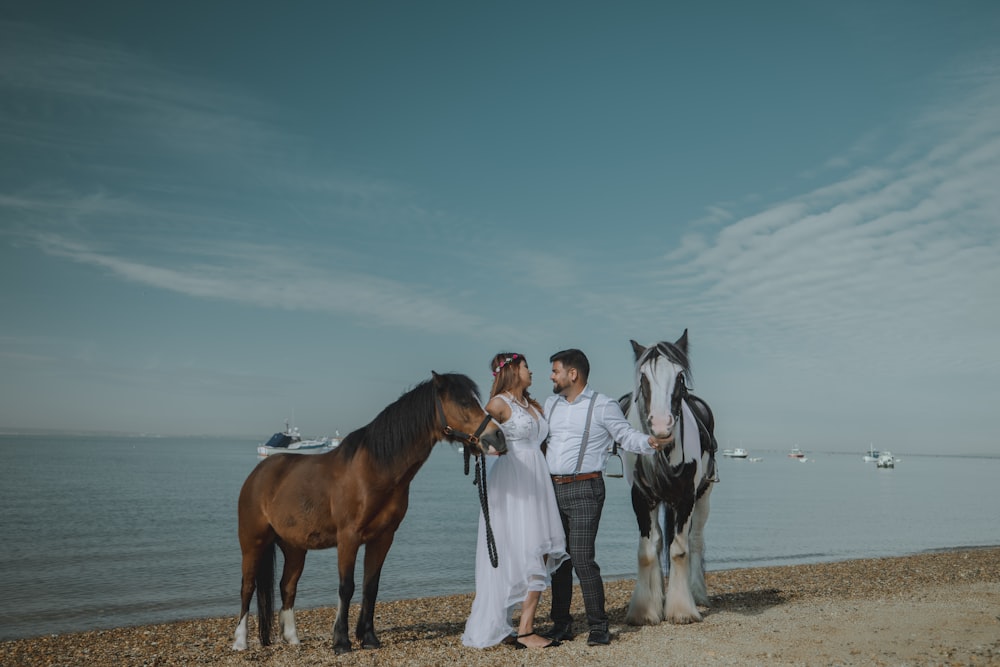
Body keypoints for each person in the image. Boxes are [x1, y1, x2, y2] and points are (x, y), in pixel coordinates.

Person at [542, 348, 668, 646]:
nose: (552, 376)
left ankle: (599, 625)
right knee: (559, 561)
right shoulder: (550, 404)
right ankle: (561, 624)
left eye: (555, 370)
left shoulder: (603, 405)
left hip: (586, 489)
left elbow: (625, 436)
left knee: (583, 558)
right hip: (550, 489)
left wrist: (649, 441)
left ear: (573, 374)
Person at [462, 353, 570, 650]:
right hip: (512, 481)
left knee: (541, 549)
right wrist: (489, 450)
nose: (531, 370)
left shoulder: (532, 405)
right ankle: (518, 628)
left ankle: (524, 626)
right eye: (525, 366)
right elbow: (476, 435)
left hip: (537, 479)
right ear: (511, 371)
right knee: (521, 550)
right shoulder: (498, 403)